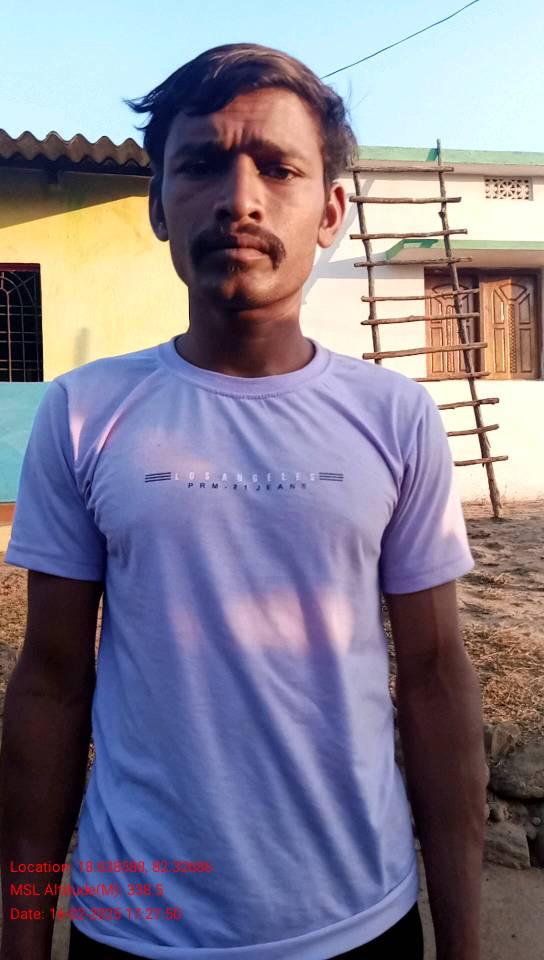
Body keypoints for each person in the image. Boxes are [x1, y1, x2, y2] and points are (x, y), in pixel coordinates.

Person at [0, 42, 487, 960]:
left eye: (277, 167)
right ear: (158, 204)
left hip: (361, 921)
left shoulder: (395, 418)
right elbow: (52, 685)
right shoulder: (84, 413)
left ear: (331, 211)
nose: (240, 199)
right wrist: (22, 931)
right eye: (199, 165)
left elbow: (433, 680)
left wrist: (463, 942)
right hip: (132, 928)